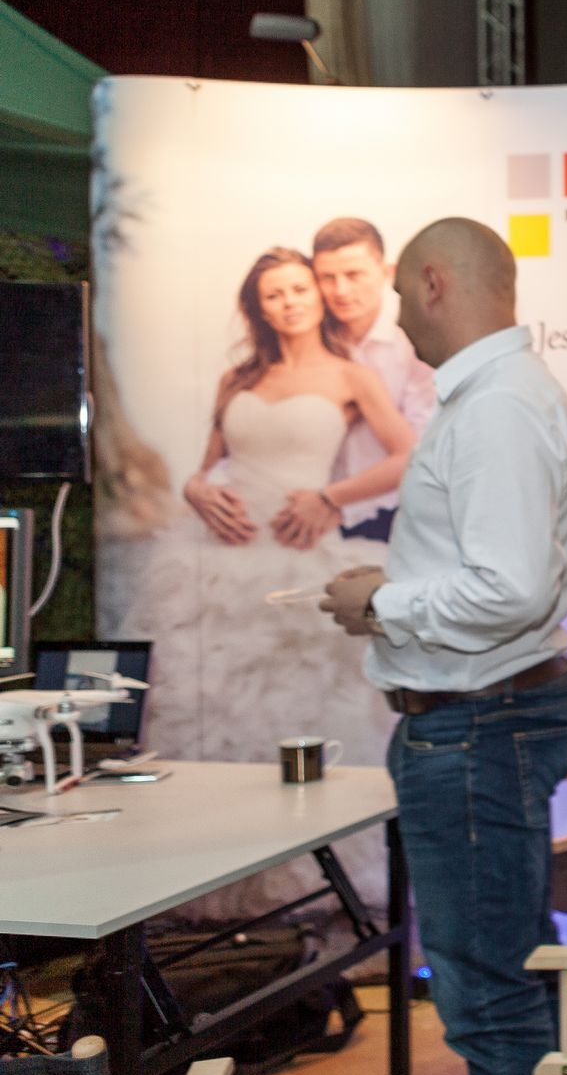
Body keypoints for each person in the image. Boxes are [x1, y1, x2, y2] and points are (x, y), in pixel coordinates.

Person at [321, 216, 567, 1075]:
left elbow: (510, 589)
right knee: (515, 970)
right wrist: (393, 591)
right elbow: (510, 576)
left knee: (488, 999)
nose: (396, 316)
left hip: (478, 726)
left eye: (400, 292)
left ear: (435, 282)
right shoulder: (498, 395)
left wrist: (382, 600)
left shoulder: (496, 406)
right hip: (485, 720)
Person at [117, 246, 415, 913]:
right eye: (274, 293)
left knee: (300, 707)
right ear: (259, 307)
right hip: (219, 559)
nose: (289, 302)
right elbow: (206, 468)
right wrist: (196, 489)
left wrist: (330, 496)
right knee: (210, 711)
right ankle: (209, 879)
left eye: (299, 289)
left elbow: (406, 454)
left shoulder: (351, 374)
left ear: (318, 295)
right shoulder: (238, 377)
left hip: (297, 555)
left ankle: (318, 888)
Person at [266, 216, 435, 547]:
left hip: (395, 520)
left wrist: (335, 503)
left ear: (387, 272)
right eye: (327, 278)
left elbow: (422, 454)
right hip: (301, 517)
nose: (341, 291)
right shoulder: (303, 335)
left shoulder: (417, 346)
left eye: (354, 275)